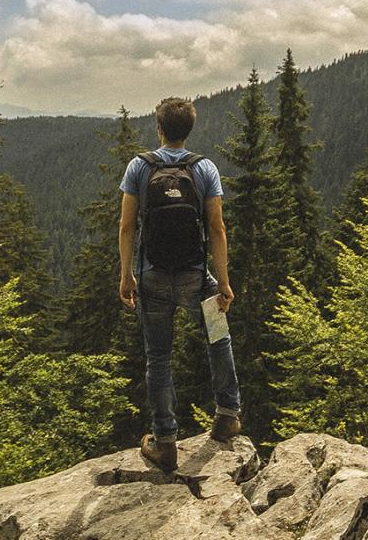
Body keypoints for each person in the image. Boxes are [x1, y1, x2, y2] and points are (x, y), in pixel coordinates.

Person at [118, 97, 242, 472]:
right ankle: (227, 415)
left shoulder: (140, 167)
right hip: (195, 276)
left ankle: (165, 440)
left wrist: (126, 275)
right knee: (218, 338)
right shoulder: (204, 168)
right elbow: (217, 228)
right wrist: (222, 282)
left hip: (153, 278)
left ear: (158, 127)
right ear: (189, 128)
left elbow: (126, 226)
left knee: (159, 357)